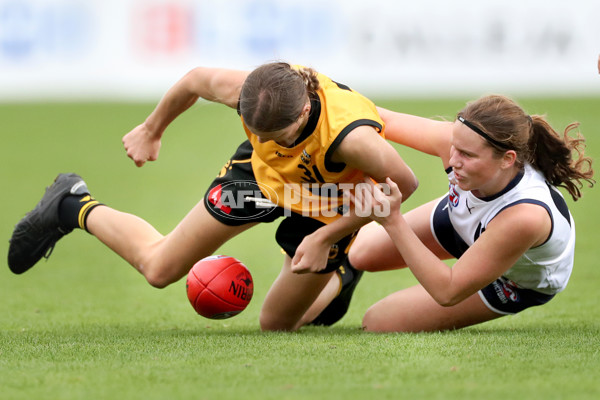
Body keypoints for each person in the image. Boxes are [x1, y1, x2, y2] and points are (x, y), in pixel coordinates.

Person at [7, 62, 418, 331]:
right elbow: (194, 80)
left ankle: (342, 267)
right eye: (256, 132)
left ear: (304, 115)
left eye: (278, 138)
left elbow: (402, 187)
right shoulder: (252, 92)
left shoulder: (354, 139)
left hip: (328, 204)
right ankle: (71, 204)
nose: (264, 140)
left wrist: (328, 238)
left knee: (277, 326)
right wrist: (153, 129)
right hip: (258, 182)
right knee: (159, 269)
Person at [347, 94, 594, 332]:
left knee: (377, 322)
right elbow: (379, 119)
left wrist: (392, 221)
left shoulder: (525, 216)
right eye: (454, 147)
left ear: (508, 159)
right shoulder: (464, 140)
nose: (453, 160)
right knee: (360, 255)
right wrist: (319, 97)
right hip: (464, 219)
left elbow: (448, 292)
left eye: (466, 155)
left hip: (512, 279)